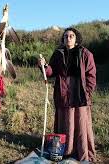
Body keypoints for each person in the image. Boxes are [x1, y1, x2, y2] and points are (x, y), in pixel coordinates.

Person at [38, 27, 96, 162]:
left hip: (79, 94)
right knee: (65, 121)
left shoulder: (85, 53)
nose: (68, 38)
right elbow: (51, 71)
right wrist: (44, 66)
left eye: (71, 36)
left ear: (76, 39)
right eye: (65, 36)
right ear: (63, 39)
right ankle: (66, 150)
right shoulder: (58, 53)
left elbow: (91, 75)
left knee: (80, 122)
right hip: (63, 93)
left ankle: (80, 149)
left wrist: (87, 91)